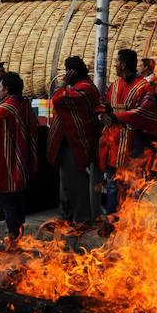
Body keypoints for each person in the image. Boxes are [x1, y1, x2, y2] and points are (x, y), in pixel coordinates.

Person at [96, 48, 157, 214]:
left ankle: (133, 223)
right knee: (112, 184)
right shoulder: (114, 85)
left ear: (123, 65)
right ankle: (112, 220)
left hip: (132, 143)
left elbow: (145, 110)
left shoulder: (144, 87)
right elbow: (102, 104)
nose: (115, 65)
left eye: (117, 62)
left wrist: (118, 117)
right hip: (112, 142)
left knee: (133, 184)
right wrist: (103, 116)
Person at [0, 71, 39, 245]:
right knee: (19, 204)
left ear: (6, 89)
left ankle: (13, 240)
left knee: (9, 205)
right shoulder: (25, 106)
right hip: (23, 164)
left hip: (6, 167)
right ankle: (18, 237)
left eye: (0, 86)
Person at [47, 56, 100, 223]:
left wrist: (63, 83)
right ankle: (66, 216)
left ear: (72, 73)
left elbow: (57, 98)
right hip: (67, 142)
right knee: (66, 182)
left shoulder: (84, 89)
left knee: (75, 182)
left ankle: (82, 219)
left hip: (75, 143)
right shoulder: (82, 87)